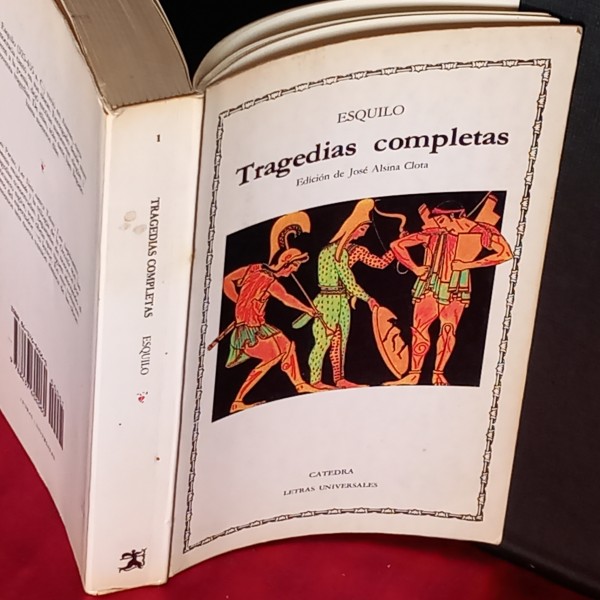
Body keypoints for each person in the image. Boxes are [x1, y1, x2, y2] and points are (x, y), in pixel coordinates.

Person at [389, 196, 512, 385]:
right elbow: (397, 245)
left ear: (455, 216)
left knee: (448, 330)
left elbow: (505, 253)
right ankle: (414, 374)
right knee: (419, 329)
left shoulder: (481, 232)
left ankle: (438, 373)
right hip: (430, 283)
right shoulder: (435, 233)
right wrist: (415, 268)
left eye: (441, 219)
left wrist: (469, 264)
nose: (439, 224)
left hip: (456, 285)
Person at [297, 199, 391, 389]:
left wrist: (395, 248)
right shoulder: (332, 252)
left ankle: (339, 379)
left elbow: (380, 263)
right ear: (353, 226)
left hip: (343, 301)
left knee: (340, 342)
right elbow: (349, 281)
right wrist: (368, 299)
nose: (363, 233)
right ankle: (315, 381)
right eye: (362, 228)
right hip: (327, 301)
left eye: (366, 229)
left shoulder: (356, 250)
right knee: (323, 341)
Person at [222, 247, 320, 413]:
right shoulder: (267, 280)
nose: (295, 270)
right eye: (294, 265)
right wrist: (308, 310)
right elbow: (286, 298)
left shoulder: (254, 269)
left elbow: (228, 280)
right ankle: (237, 401)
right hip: (248, 330)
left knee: (287, 346)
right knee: (273, 355)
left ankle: (300, 384)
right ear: (286, 262)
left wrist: (240, 302)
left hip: (259, 326)